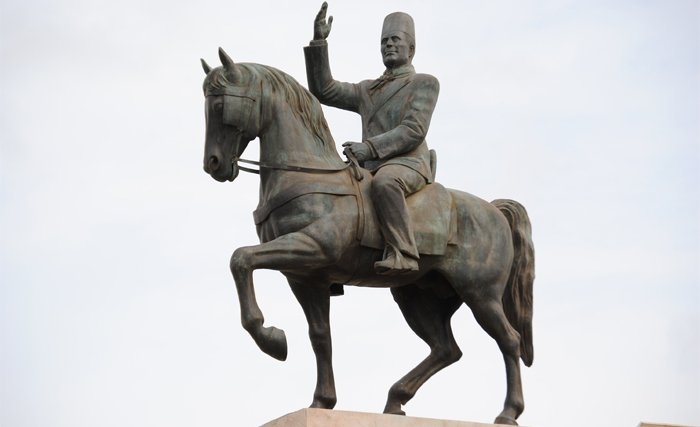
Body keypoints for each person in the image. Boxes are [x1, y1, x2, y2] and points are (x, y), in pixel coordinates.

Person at [304, 2, 440, 275]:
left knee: (386, 183)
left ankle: (404, 252)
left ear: (411, 49)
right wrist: (319, 42)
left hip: (408, 163)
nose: (388, 45)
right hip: (368, 167)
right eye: (384, 41)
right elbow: (325, 89)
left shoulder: (424, 83)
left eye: (395, 40)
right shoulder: (368, 90)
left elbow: (413, 130)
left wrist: (369, 148)